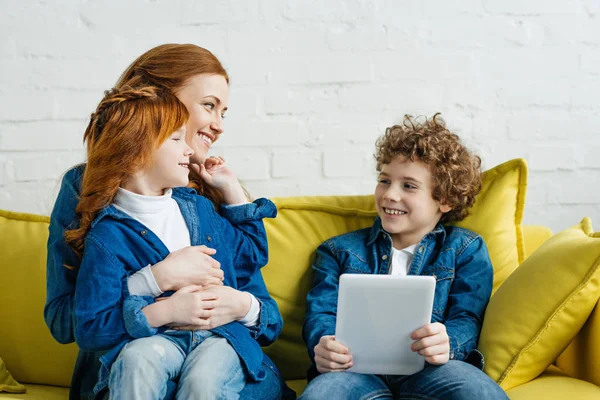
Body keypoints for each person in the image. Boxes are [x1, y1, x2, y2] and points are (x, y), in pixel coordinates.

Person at [44, 44, 289, 400]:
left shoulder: (209, 197)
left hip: (214, 366)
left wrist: (241, 305)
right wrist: (154, 281)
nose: (218, 125)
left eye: (224, 112)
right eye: (209, 105)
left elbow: (261, 303)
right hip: (132, 369)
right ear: (159, 101)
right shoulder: (86, 190)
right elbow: (68, 322)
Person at [300, 114, 508, 399]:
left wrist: (448, 343)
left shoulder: (465, 248)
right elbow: (321, 315)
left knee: (479, 392)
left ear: (445, 199)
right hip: (354, 372)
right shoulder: (338, 251)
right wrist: (322, 344)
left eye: (408, 186)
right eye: (384, 181)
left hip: (434, 370)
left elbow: (467, 317)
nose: (389, 195)